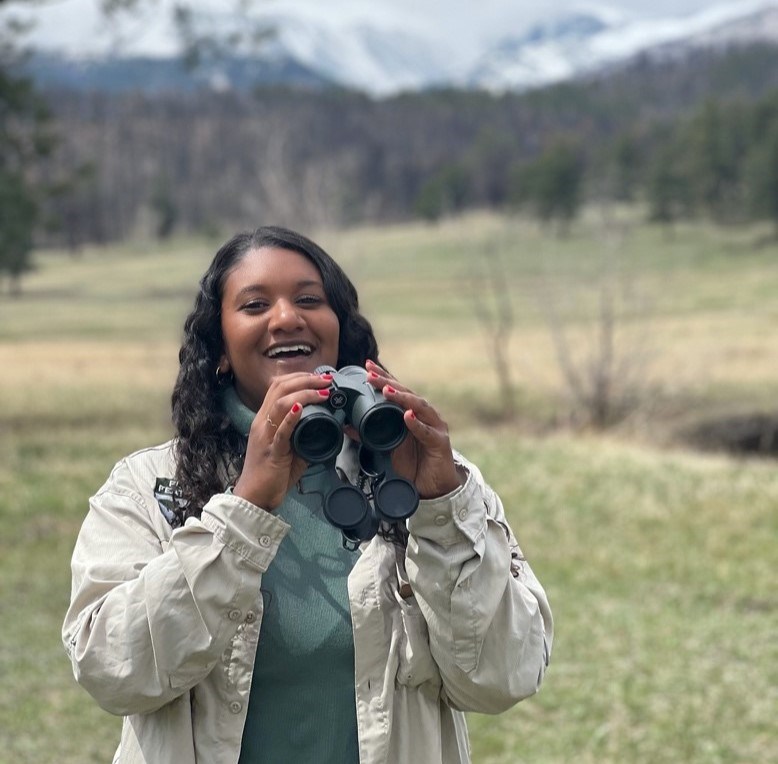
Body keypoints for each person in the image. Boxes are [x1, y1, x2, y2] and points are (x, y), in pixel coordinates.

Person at [62, 225, 553, 764]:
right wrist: (244, 510)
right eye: (254, 305)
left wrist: (441, 508)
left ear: (339, 329)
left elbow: (504, 677)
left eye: (309, 300)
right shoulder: (149, 487)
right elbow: (113, 672)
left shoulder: (426, 479)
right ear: (219, 350)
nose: (286, 318)